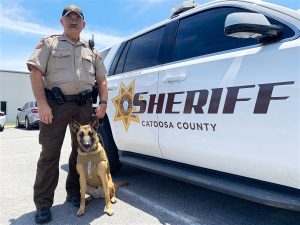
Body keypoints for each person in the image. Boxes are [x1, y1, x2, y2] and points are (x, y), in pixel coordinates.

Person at [27, 4, 108, 224]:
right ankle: (43, 204)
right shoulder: (49, 44)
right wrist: (42, 104)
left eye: (77, 18)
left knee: (80, 153)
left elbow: (101, 79)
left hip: (83, 105)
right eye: (69, 17)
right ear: (61, 22)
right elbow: (35, 72)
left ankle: (74, 192)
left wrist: (103, 102)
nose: (73, 21)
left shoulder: (92, 51)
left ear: (84, 24)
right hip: (55, 105)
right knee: (49, 155)